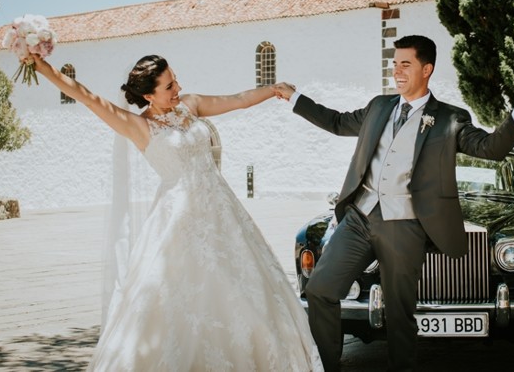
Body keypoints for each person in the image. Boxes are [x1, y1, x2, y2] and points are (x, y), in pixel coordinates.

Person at [25, 54, 322, 371]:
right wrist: (44, 68)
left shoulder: (190, 105)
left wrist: (272, 89)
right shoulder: (139, 126)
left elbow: (237, 100)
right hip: (177, 222)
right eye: (169, 86)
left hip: (223, 214)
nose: (178, 88)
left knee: (246, 298)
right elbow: (87, 98)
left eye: (176, 80)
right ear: (148, 95)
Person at [283, 35, 514, 372]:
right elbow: (335, 122)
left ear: (427, 69)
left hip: (405, 225)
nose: (397, 71)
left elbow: (490, 148)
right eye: (395, 63)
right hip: (360, 218)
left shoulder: (450, 119)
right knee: (319, 290)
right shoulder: (378, 107)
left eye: (406, 64)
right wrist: (295, 97)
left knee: (399, 315)